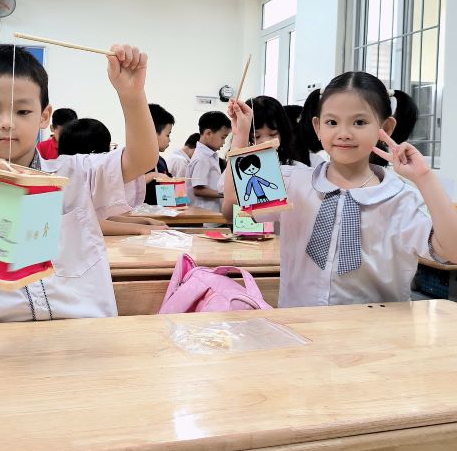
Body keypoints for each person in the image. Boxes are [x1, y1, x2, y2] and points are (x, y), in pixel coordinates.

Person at [0, 43, 157, 325]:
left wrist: (131, 95)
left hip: (82, 335)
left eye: (22, 111)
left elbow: (142, 159)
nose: (7, 123)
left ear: (44, 116)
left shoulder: (76, 176)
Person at [223, 71, 457, 307]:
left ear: (385, 127)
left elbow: (451, 251)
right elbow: (233, 204)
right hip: (300, 322)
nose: (343, 134)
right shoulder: (291, 180)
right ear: (317, 127)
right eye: (332, 122)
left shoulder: (400, 198)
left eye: (359, 122)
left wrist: (424, 178)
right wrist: (241, 135)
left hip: (376, 327)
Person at [58, 117, 166, 235]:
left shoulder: (77, 172)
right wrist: (139, 228)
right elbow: (86, 223)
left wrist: (143, 221)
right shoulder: (74, 178)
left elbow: (102, 217)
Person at [186, 110, 231, 211]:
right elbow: (198, 190)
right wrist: (225, 194)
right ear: (208, 133)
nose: (224, 142)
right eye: (223, 137)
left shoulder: (208, 156)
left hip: (209, 212)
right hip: (203, 214)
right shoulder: (202, 158)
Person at [246, 96, 299, 165]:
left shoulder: (295, 167)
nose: (266, 142)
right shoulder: (241, 166)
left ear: (283, 133)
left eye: (273, 134)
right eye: (256, 136)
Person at [144, 103, 175, 205]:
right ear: (152, 133)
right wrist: (153, 175)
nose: (169, 140)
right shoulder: (137, 162)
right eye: (168, 135)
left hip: (161, 211)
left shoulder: (160, 161)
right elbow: (130, 186)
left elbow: (166, 197)